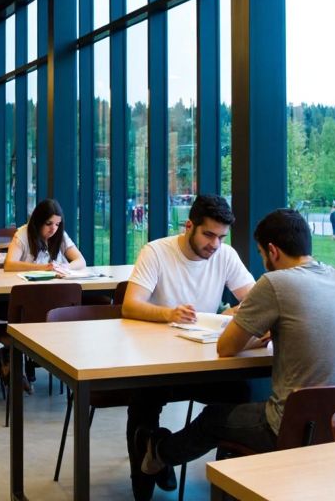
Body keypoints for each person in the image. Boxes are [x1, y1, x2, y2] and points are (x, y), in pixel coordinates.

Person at [134, 208, 335, 490]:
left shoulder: (275, 282)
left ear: (272, 251)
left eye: (261, 254)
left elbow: (226, 347)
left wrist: (254, 333)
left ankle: (158, 451)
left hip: (298, 427)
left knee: (213, 418)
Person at [121, 194, 255, 499]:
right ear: (189, 226)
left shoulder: (225, 255)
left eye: (221, 237)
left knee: (241, 393)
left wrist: (237, 312)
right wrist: (168, 314)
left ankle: (219, 480)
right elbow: (130, 305)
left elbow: (254, 299)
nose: (215, 244)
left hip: (204, 359)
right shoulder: (156, 252)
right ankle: (143, 485)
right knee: (143, 403)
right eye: (208, 235)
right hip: (156, 362)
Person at [0, 199, 86, 391]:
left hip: (46, 301)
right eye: (49, 224)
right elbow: (10, 264)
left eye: (57, 224)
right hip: (13, 297)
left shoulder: (59, 236)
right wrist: (42, 268)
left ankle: (14, 357)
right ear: (38, 221)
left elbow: (80, 261)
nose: (53, 229)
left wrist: (65, 268)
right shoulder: (23, 234)